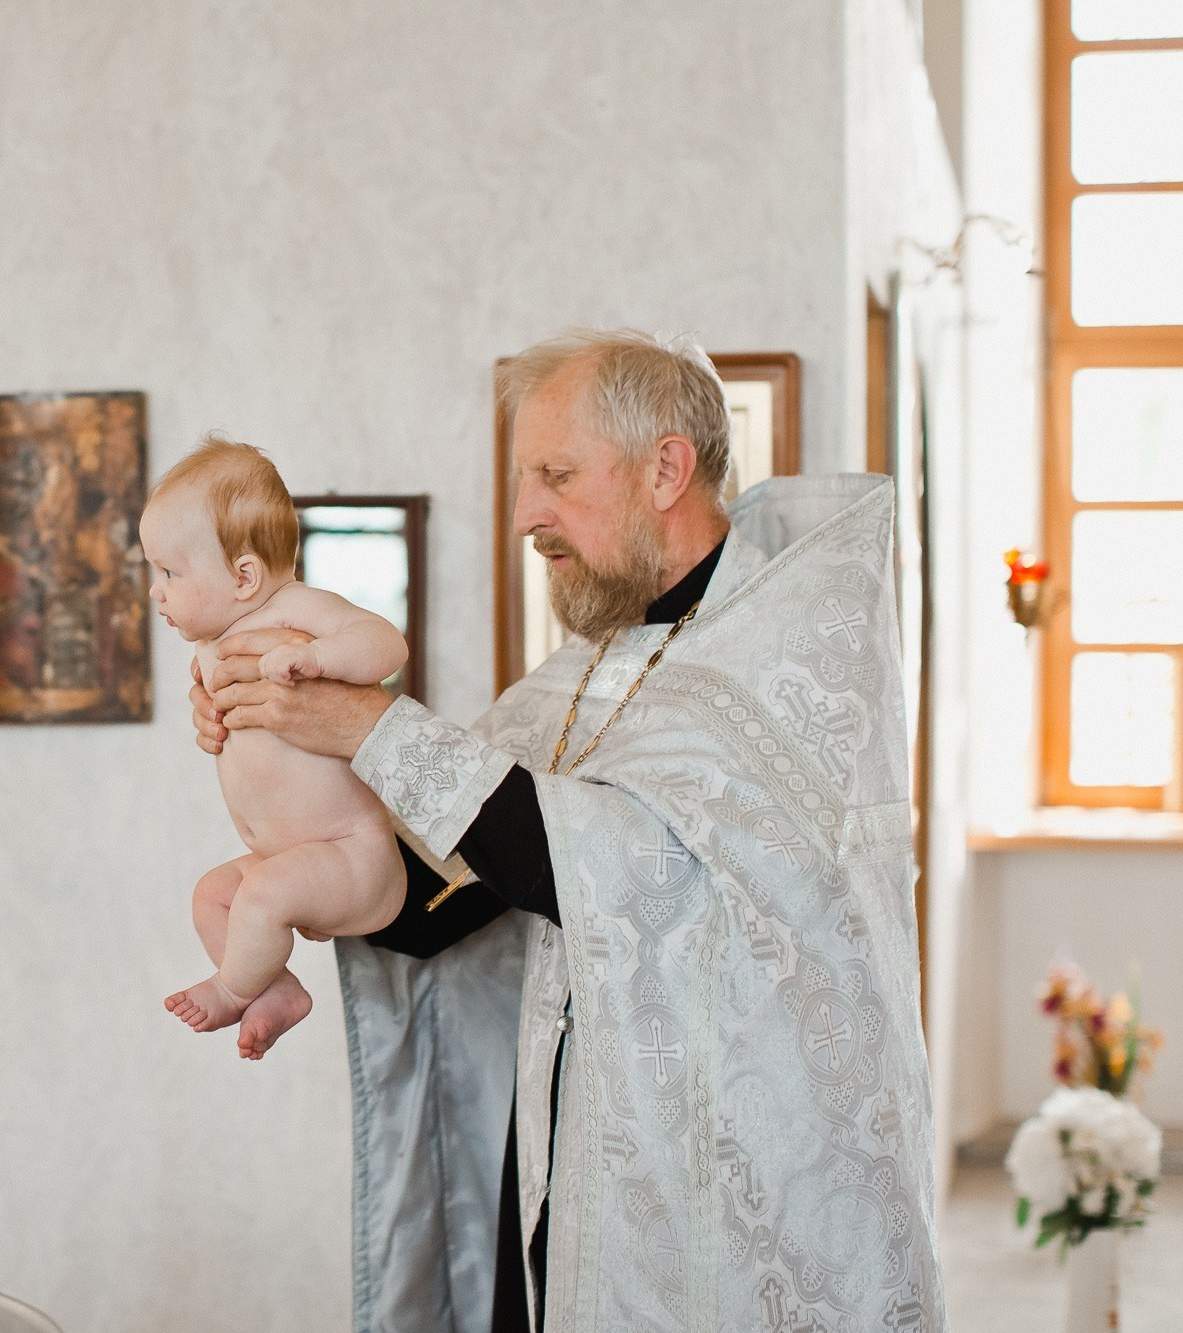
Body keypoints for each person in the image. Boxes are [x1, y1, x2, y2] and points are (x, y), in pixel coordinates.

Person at [194, 330, 944, 1330]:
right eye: (523, 480)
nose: (523, 516)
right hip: (572, 1169)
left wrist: (372, 728)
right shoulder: (582, 675)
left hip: (737, 1198)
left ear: (665, 469)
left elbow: (631, 872)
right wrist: (290, 774)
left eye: (555, 476)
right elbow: (442, 904)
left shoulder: (784, 658)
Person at [144, 434, 409, 1060]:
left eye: (169, 572)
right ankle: (277, 989)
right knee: (212, 897)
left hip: (352, 854)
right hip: (285, 858)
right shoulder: (211, 648)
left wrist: (321, 658)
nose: (155, 590)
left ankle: (233, 989)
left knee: (262, 896)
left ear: (243, 576)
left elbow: (385, 643)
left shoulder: (293, 609)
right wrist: (210, 715)